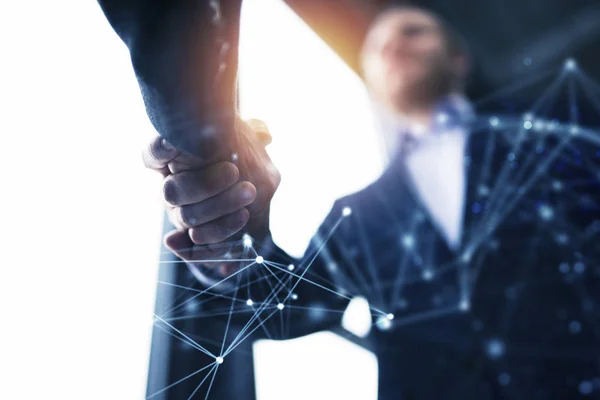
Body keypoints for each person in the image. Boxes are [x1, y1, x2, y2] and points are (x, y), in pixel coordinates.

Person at [141, 5, 600, 400]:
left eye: (412, 31)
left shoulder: (553, 144)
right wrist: (240, 238)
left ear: (458, 58)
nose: (390, 46)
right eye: (375, 46)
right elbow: (292, 312)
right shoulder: (361, 213)